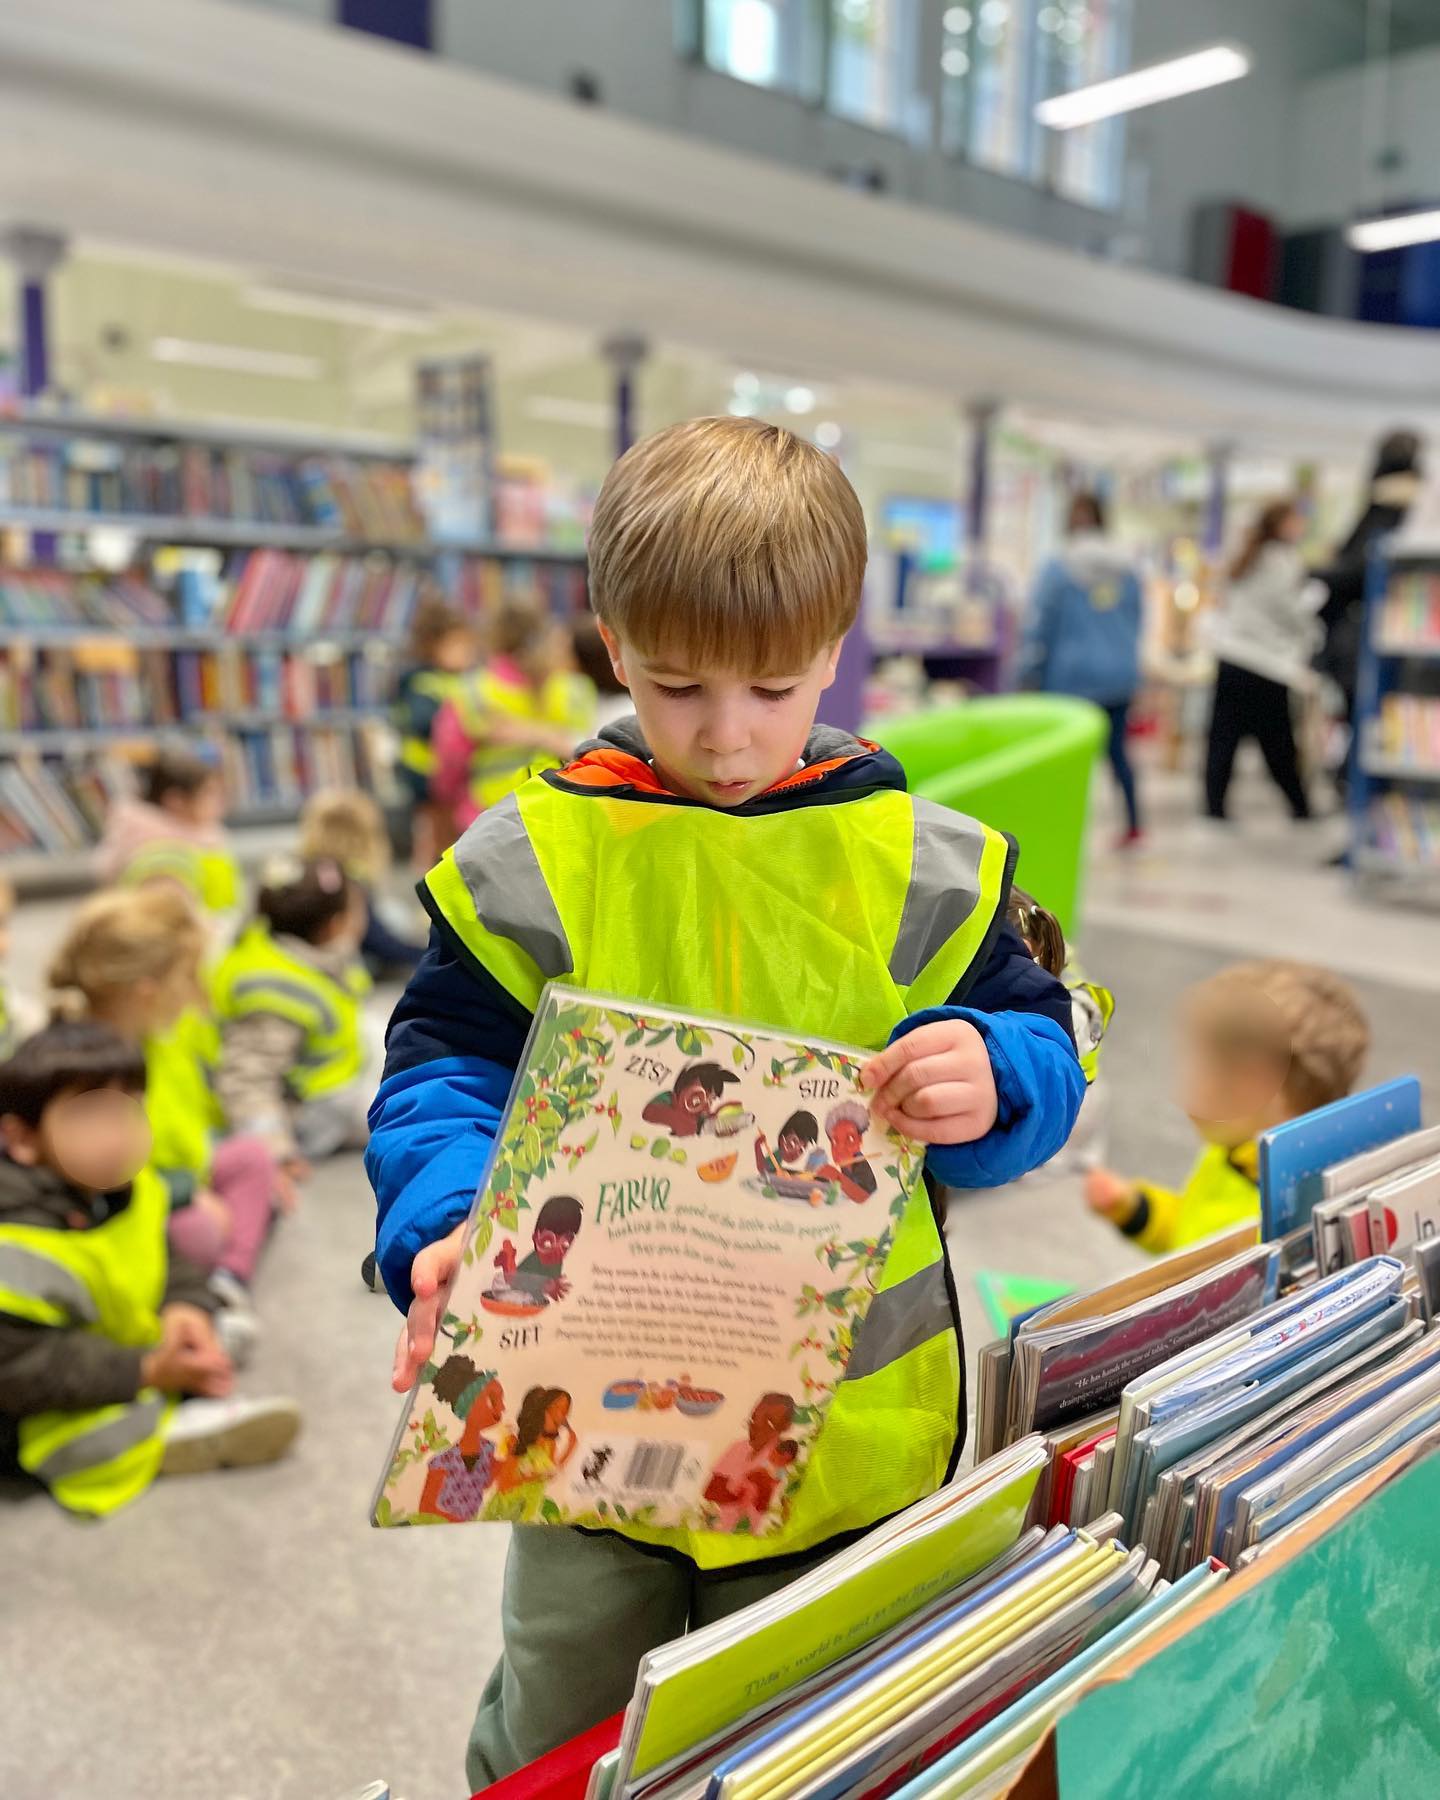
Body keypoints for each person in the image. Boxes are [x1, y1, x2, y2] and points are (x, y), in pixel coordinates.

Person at [366, 415, 1086, 1786]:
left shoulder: (925, 864)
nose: (728, 735)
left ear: (836, 648)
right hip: (579, 1415)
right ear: (613, 642)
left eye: (773, 686)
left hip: (844, 1443)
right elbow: (444, 1071)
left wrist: (999, 1073)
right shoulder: (533, 857)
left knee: (796, 1739)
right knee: (560, 1723)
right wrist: (451, 1216)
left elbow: (1047, 1037)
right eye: (680, 684)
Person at [0, 1021, 299, 1515]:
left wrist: (186, 1307)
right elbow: (21, 1368)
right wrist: (143, 1370)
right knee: (77, 1436)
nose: (120, 1136)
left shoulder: (128, 1188)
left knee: (201, 1326)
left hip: (114, 1342)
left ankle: (184, 1373)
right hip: (24, 1402)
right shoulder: (15, 1235)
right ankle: (168, 1432)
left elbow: (165, 1253)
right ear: (23, 1139)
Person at [45, 886, 288, 1355]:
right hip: (133, 1206)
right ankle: (201, 1303)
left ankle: (224, 1283)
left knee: (254, 1161)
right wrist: (184, 1192)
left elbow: (200, 1117)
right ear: (146, 992)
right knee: (196, 1231)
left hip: (186, 1176)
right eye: (188, 979)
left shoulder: (163, 1037)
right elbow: (102, 1173)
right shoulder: (86, 1066)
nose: (197, 993)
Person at [1086, 960, 1369, 1254]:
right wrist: (1136, 1209)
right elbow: (1192, 1230)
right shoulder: (1232, 1151)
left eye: (1201, 1072)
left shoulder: (1280, 1227)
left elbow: (1201, 1264)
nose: (1181, 1095)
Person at [211, 856, 371, 1170]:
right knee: (401, 1110)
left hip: (326, 1072)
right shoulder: (272, 992)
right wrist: (276, 1152)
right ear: (335, 925)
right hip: (309, 1109)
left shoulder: (285, 945)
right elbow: (247, 1080)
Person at [1020, 492, 1144, 846]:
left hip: (1069, 680)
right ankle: (1134, 824)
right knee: (1118, 753)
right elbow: (1137, 622)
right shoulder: (1128, 571)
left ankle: (1059, 830)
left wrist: (1028, 674)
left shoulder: (1058, 569)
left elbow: (1039, 627)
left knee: (1065, 761)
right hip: (1119, 676)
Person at [1204, 498, 1323, 825]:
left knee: (1223, 740)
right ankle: (1300, 806)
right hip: (1265, 663)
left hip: (1232, 656)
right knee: (1278, 742)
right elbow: (1291, 610)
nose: (1301, 527)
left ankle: (1214, 807)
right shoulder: (1280, 561)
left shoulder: (1246, 556)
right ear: (1280, 524)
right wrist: (1313, 625)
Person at [431, 600, 578, 837]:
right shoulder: (572, 689)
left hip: (487, 822)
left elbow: (449, 767)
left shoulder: (472, 691)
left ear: (493, 635)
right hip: (558, 820)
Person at [1316, 430, 1424, 739]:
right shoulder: (1408, 505)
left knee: (1364, 720)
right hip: (1383, 629)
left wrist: (1317, 572)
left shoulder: (1384, 509)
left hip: (1364, 632)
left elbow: (1354, 567)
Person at [96, 747, 242, 925]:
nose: (221, 801)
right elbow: (167, 930)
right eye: (208, 793)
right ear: (175, 801)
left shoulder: (202, 841)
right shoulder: (163, 861)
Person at [299, 787, 426, 980]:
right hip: (342, 970)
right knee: (397, 915)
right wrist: (427, 955)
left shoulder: (308, 872)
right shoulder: (351, 883)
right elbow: (380, 943)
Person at [390, 597, 480, 869]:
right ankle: (429, 877)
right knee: (433, 831)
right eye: (458, 646)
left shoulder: (459, 680)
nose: (467, 653)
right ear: (433, 645)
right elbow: (421, 722)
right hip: (426, 773)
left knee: (448, 829)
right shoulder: (424, 683)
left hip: (449, 773)